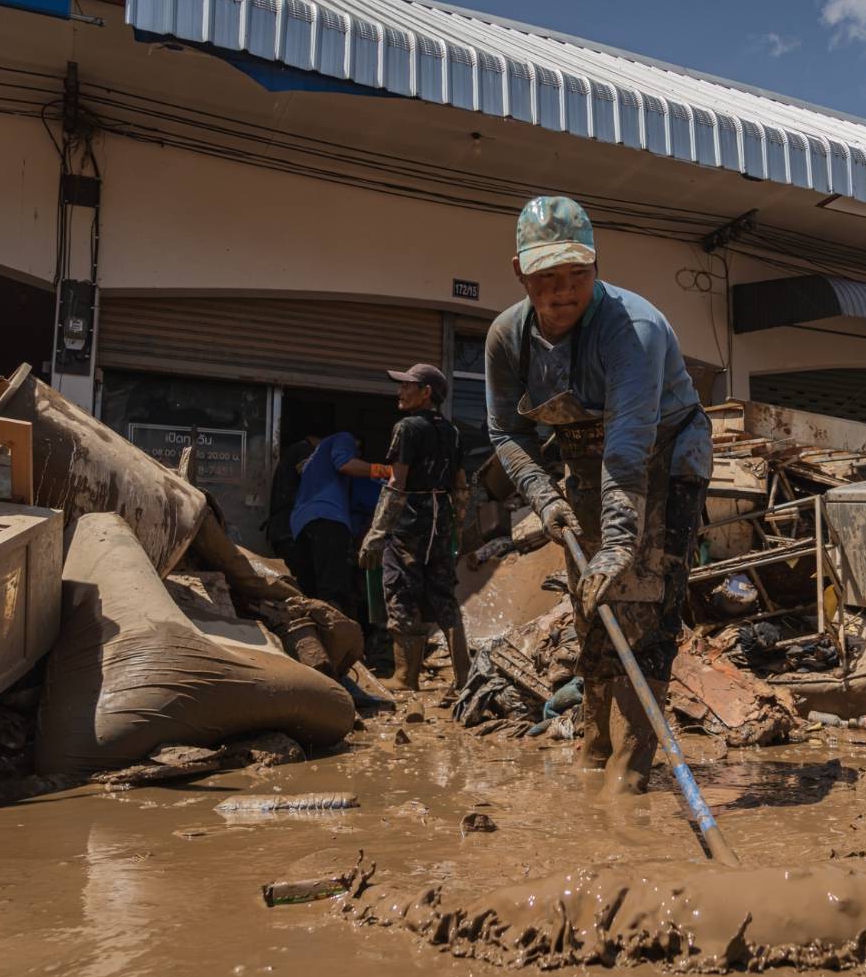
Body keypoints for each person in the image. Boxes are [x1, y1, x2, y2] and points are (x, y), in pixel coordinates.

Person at [484, 196, 713, 796]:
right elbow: (505, 431)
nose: (562, 293)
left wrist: (619, 543)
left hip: (662, 457)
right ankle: (595, 743)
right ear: (519, 272)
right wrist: (542, 494)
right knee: (593, 606)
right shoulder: (507, 338)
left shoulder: (629, 328)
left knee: (646, 601)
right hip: (585, 461)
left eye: (576, 277)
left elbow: (629, 445)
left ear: (596, 266)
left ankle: (634, 764)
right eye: (546, 279)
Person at [357, 364, 470, 693]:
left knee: (401, 591)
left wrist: (376, 534)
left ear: (426, 393)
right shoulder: (453, 431)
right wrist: (457, 529)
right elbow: (461, 485)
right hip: (441, 523)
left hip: (410, 522)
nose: (400, 391)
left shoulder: (407, 428)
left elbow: (397, 483)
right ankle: (464, 676)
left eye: (408, 385)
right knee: (444, 596)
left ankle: (405, 677)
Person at [289, 428, 390, 620]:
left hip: (301, 526)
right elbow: (345, 464)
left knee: (310, 593)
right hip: (328, 522)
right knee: (333, 593)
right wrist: (390, 471)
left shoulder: (314, 464)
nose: (357, 455)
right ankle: (336, 640)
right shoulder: (343, 438)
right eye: (356, 451)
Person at [265, 432, 321, 561]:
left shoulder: (299, 451)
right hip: (288, 530)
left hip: (286, 530)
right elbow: (310, 476)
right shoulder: (304, 450)